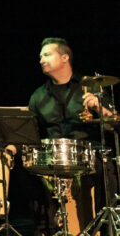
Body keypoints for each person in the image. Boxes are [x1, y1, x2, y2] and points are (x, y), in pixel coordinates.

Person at [9, 37, 114, 235]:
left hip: (87, 154)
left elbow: (113, 126)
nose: (41, 60)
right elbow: (30, 133)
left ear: (65, 57)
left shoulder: (90, 86)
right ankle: (44, 228)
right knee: (24, 168)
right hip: (51, 156)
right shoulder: (38, 96)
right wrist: (12, 148)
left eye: (47, 54)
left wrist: (99, 108)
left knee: (105, 166)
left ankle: (103, 227)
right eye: (40, 56)